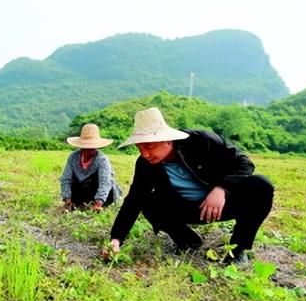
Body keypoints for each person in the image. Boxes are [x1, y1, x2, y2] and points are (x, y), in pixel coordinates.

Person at [106, 108, 273, 264]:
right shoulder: (145, 164)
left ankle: (238, 250)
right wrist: (116, 240)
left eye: (149, 146)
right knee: (147, 201)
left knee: (262, 186)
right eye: (139, 148)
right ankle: (187, 241)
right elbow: (133, 200)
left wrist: (221, 189)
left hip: (221, 204)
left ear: (167, 139)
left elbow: (244, 163)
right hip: (186, 208)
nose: (145, 154)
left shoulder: (202, 141)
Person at [60, 123, 122, 211]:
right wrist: (67, 198)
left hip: (96, 191)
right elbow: (66, 179)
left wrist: (99, 202)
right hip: (80, 192)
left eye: (92, 147)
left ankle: (97, 204)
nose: (88, 150)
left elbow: (105, 182)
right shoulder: (73, 157)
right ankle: (76, 204)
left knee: (108, 185)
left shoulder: (102, 159)